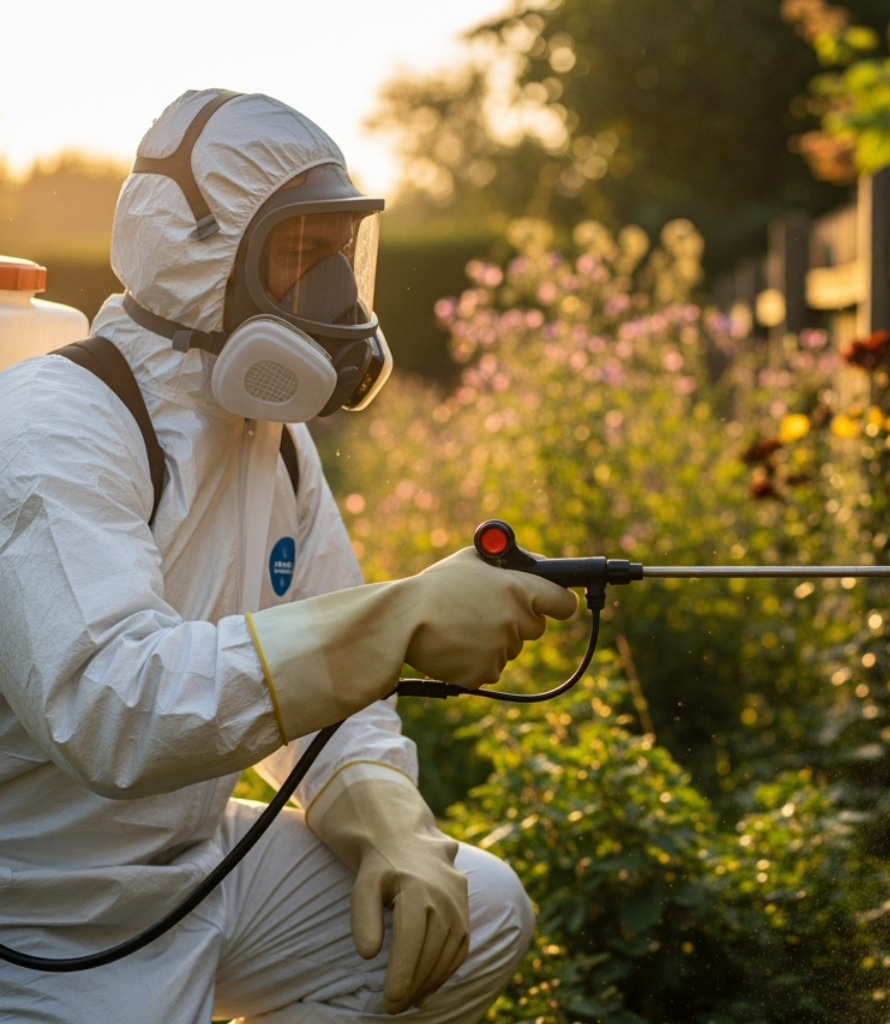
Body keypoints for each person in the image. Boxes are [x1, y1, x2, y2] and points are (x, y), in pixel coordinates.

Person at [0, 89, 577, 1021]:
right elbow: (114, 708)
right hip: (38, 924)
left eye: (339, 255)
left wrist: (384, 814)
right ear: (198, 254)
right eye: (299, 255)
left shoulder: (272, 439)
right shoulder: (53, 426)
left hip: (196, 874)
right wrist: (398, 618)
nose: (336, 298)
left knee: (483, 909)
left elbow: (337, 696)